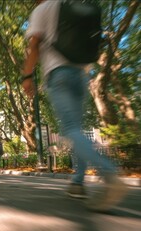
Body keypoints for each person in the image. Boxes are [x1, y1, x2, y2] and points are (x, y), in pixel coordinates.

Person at [22, 0, 127, 212]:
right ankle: (78, 183)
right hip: (81, 75)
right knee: (77, 129)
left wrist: (27, 75)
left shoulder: (41, 9)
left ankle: (109, 174)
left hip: (58, 74)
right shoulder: (67, 6)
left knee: (70, 129)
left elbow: (34, 45)